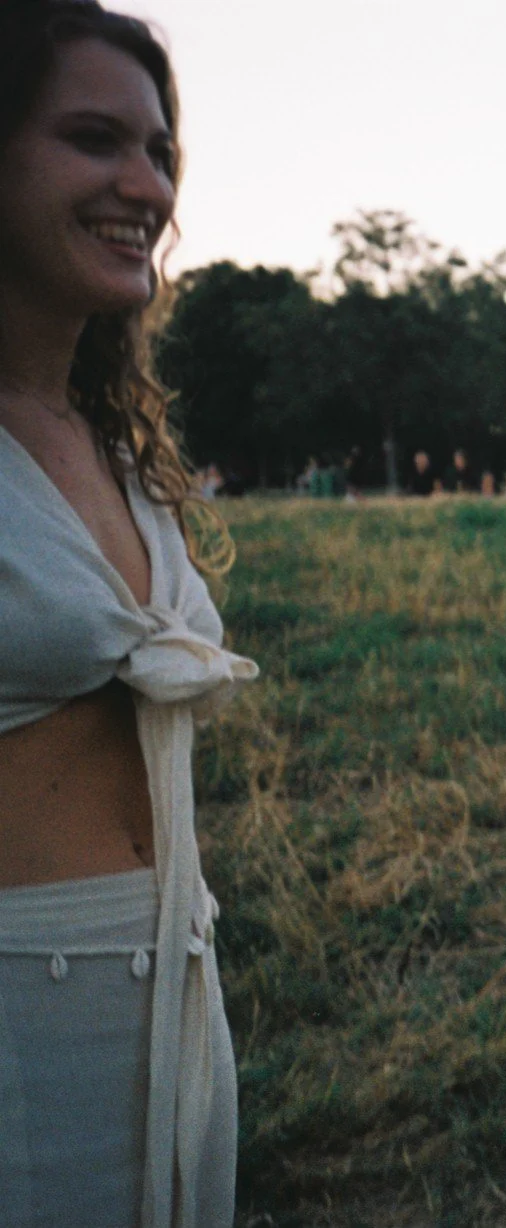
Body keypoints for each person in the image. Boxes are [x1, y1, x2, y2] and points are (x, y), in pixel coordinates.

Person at [0, 4, 256, 1226]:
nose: (142, 184)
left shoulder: (109, 439)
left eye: (160, 152)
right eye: (95, 139)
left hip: (176, 997)